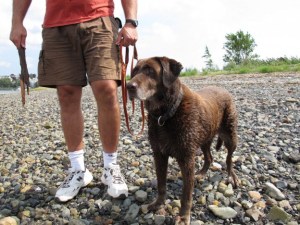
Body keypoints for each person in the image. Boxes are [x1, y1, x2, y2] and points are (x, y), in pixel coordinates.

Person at [10, 0, 138, 202]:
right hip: (56, 26)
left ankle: (110, 166)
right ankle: (78, 170)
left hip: (99, 19)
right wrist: (17, 22)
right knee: (67, 93)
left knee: (106, 88)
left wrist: (130, 21)